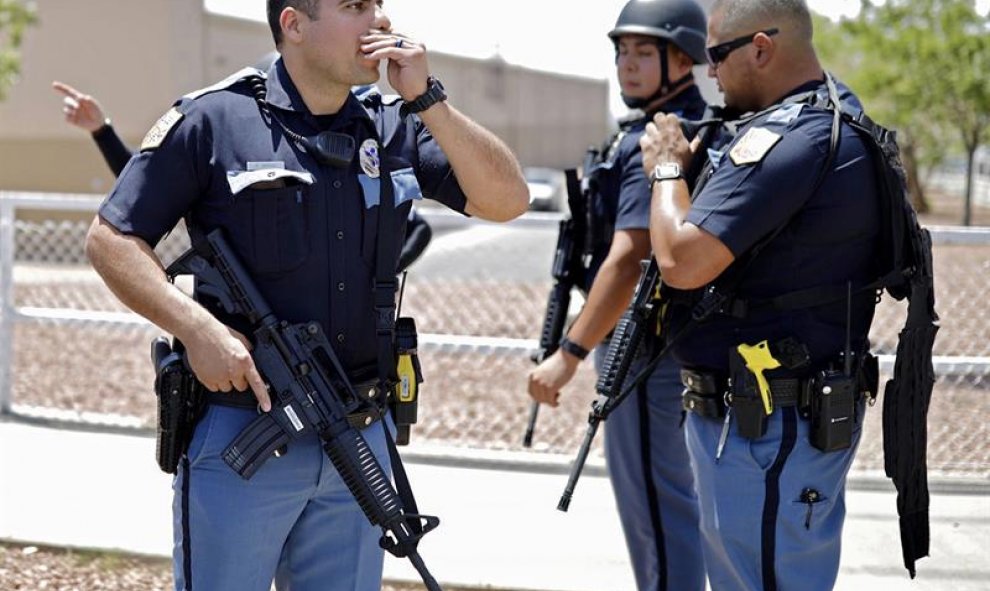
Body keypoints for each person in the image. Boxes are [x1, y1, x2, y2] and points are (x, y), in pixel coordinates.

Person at [84, 1, 529, 590]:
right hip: (246, 430)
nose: (378, 22)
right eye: (353, 7)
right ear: (294, 24)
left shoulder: (394, 122)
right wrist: (198, 329)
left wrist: (429, 99)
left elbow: (508, 200)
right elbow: (111, 239)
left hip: (358, 435)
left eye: (377, 5)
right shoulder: (215, 120)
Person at [640, 0, 883, 588]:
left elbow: (681, 260)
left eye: (716, 56)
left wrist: (668, 170)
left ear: (761, 48)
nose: (710, 74)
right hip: (764, 423)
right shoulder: (827, 117)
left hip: (769, 429)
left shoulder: (791, 137)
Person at [527, 1, 709, 589]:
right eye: (620, 52)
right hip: (668, 347)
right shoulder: (676, 129)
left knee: (656, 507)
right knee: (673, 504)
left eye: (642, 52)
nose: (626, 66)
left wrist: (569, 354)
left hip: (645, 350)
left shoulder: (656, 140)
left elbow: (630, 258)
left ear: (681, 58)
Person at [55, 77, 435, 271]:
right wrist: (101, 130)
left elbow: (420, 228)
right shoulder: (226, 132)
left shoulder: (367, 143)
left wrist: (373, 274)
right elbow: (144, 191)